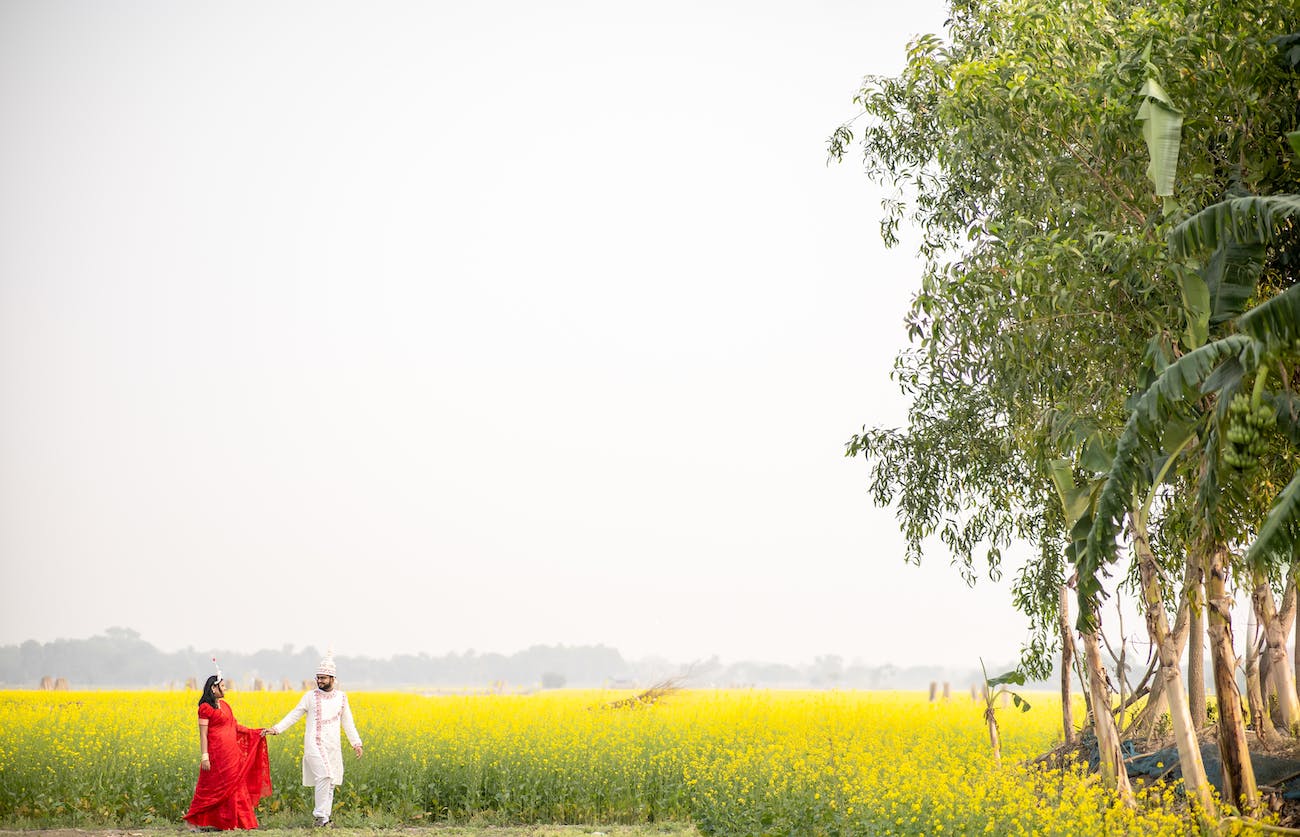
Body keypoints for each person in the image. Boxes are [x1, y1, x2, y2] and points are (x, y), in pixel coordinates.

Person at [266, 652, 363, 828]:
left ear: (333, 678)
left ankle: (326, 819)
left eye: (323, 678)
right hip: (314, 744)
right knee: (325, 775)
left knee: (331, 781)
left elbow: (348, 722)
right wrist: (277, 728)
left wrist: (356, 742)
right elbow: (295, 714)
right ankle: (319, 817)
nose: (320, 681)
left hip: (333, 745)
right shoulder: (310, 696)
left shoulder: (342, 697)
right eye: (318, 678)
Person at [183, 673, 273, 831]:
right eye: (223, 686)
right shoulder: (205, 708)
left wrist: (256, 732)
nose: (226, 689)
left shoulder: (225, 706)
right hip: (215, 755)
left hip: (231, 755)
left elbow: (235, 726)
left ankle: (233, 823)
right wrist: (205, 756)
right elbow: (203, 734)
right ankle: (192, 821)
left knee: (234, 786)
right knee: (209, 787)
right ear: (213, 688)